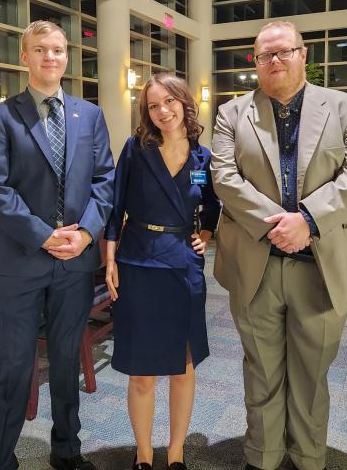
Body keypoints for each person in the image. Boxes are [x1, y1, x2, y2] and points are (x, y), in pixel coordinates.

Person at [211, 20, 347, 470]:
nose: (275, 61)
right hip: (255, 264)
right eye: (265, 55)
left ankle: (308, 458)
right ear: (255, 62)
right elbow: (224, 178)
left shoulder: (345, 108)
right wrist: (276, 226)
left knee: (310, 376)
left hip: (319, 266)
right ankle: (261, 458)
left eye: (284, 51)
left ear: (303, 54)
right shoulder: (232, 113)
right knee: (261, 371)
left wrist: (307, 220)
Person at [0, 20, 114, 470]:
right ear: (25, 57)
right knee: (15, 366)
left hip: (75, 261)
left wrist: (85, 234)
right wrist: (44, 234)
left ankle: (67, 449)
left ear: (67, 57)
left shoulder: (89, 115)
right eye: (41, 50)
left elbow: (104, 182)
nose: (50, 57)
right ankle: (1, 458)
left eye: (58, 49)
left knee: (65, 362)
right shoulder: (3, 115)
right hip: (20, 259)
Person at [104, 74, 220, 470]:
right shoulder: (136, 150)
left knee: (182, 367)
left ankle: (175, 454)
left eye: (169, 101)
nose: (162, 111)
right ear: (146, 113)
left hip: (183, 266)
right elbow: (114, 208)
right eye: (153, 106)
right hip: (136, 261)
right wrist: (109, 261)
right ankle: (143, 454)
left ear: (184, 103)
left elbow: (212, 207)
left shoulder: (203, 157)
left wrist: (204, 235)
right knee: (142, 371)